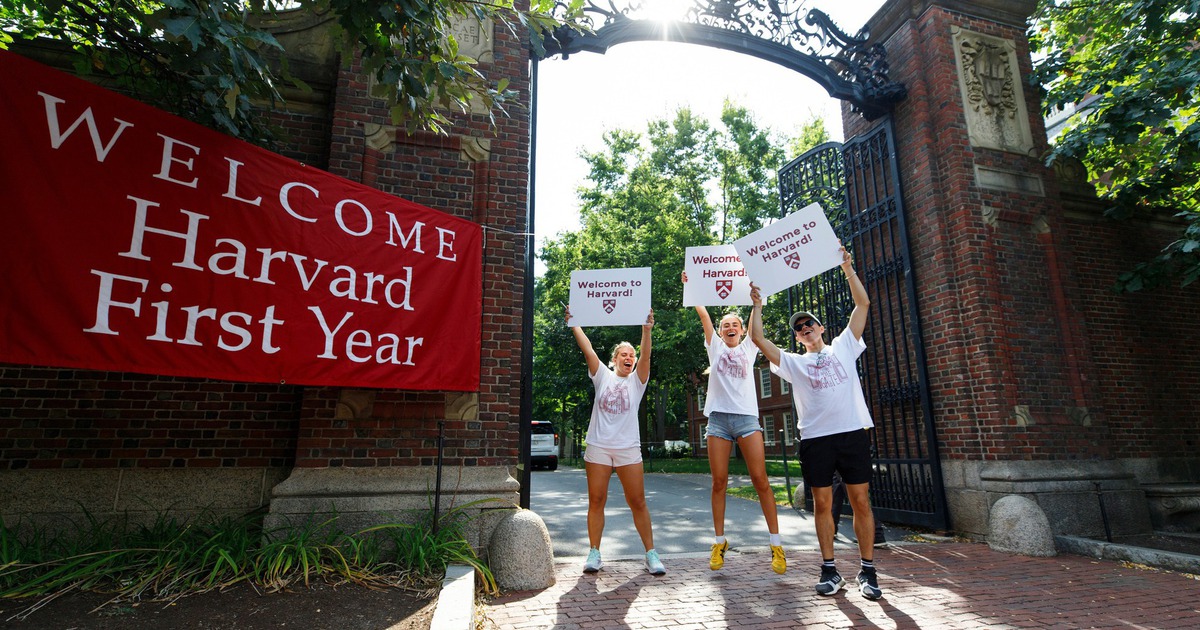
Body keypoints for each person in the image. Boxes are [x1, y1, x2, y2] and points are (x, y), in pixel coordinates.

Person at [748, 245, 883, 600]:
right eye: (799, 328)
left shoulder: (843, 345)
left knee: (861, 502)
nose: (805, 328)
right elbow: (758, 339)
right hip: (816, 440)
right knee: (823, 505)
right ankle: (830, 570)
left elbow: (863, 305)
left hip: (852, 433)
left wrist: (847, 268)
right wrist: (757, 305)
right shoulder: (794, 363)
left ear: (821, 328)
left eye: (810, 324)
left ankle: (868, 571)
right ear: (796, 337)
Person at [682, 271, 785, 574]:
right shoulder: (714, 346)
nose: (729, 328)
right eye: (725, 324)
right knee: (718, 482)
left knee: (761, 480)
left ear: (740, 331)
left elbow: (757, 323)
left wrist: (757, 304)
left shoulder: (749, 348)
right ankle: (718, 542)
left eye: (734, 325)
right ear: (720, 330)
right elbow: (702, 313)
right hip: (718, 421)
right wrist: (693, 286)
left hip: (746, 419)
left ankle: (776, 544)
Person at [567, 306, 666, 576]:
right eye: (624, 354)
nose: (629, 357)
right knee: (596, 500)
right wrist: (575, 324)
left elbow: (647, 355)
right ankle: (594, 552)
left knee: (638, 501)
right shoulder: (602, 376)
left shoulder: (638, 381)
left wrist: (646, 330)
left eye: (631, 355)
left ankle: (651, 554)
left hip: (627, 449)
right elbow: (588, 349)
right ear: (614, 359)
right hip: (598, 446)